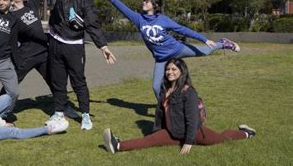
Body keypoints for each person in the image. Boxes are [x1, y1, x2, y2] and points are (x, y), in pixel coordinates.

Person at [97, 0, 241, 100]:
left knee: (205, 51)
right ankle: (166, 109)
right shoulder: (139, 19)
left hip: (177, 49)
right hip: (161, 59)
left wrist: (204, 39)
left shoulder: (163, 20)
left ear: (155, 5)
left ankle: (223, 43)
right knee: (155, 87)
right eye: (144, 1)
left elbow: (183, 29)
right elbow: (124, 9)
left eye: (147, 1)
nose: (143, 3)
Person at [103, 58, 256, 155]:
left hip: (194, 133)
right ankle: (117, 145)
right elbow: (160, 115)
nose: (170, 72)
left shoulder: (188, 92)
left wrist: (189, 142)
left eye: (174, 69)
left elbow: (193, 119)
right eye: (168, 69)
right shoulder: (165, 91)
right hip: (173, 132)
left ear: (182, 72)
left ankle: (246, 133)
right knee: (149, 141)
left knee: (220, 138)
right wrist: (157, 131)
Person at [46, 0, 116, 131]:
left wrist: (103, 46)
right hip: (56, 43)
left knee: (78, 82)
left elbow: (92, 25)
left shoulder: (87, 2)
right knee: (58, 81)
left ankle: (85, 114)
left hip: (74, 47)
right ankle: (58, 112)